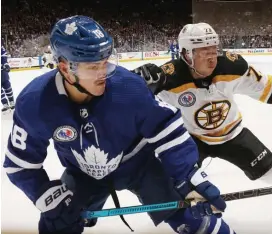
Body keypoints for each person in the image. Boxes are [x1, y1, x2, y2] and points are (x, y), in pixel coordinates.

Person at [3, 17, 234, 234]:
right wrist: (44, 194)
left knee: (195, 218)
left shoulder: (129, 88)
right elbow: (20, 165)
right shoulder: (35, 102)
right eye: (92, 67)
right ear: (65, 68)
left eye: (104, 63)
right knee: (57, 222)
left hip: (141, 165)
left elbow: (168, 131)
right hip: (83, 173)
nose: (103, 73)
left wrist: (189, 176)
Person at [133, 23, 272, 229]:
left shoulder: (231, 68)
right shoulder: (168, 79)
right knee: (176, 185)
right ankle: (193, 223)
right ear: (186, 54)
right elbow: (130, 108)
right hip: (191, 140)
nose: (212, 56)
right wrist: (136, 85)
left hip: (232, 135)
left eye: (214, 50)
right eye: (204, 52)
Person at [1, 45, 15, 112]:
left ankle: (11, 101)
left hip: (2, 71)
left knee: (7, 86)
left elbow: (3, 54)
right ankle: (5, 104)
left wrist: (5, 64)